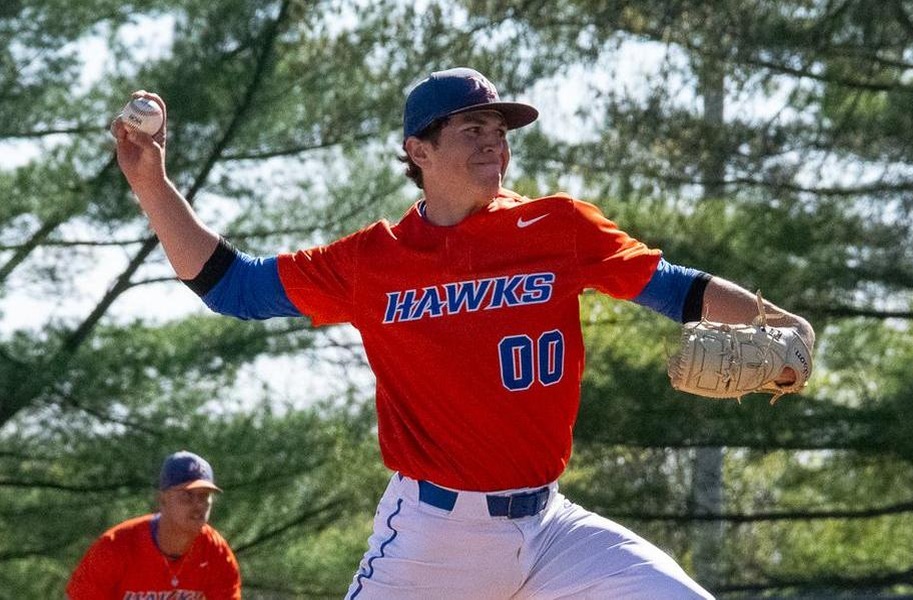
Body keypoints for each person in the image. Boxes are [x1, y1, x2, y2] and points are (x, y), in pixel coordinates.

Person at [111, 67, 815, 599]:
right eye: (472, 129)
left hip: (551, 528)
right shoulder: (373, 261)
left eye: (500, 131)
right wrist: (151, 184)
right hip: (432, 536)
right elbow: (233, 287)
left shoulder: (557, 228)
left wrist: (778, 325)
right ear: (418, 149)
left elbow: (674, 289)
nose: (494, 144)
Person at [66, 450, 241, 599]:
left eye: (204, 496)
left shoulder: (215, 551)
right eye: (187, 495)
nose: (198, 505)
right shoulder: (115, 546)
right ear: (162, 499)